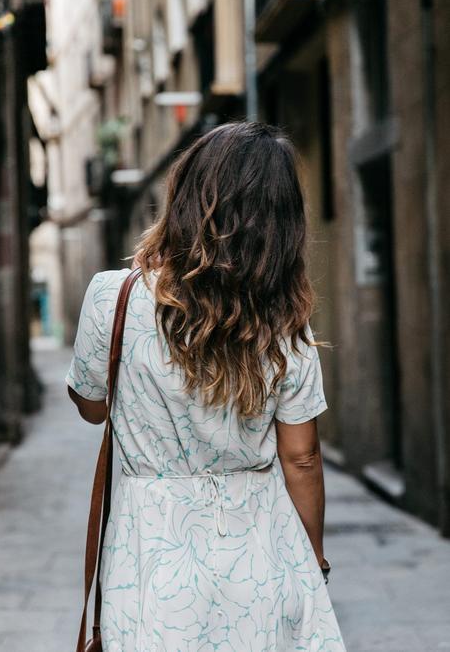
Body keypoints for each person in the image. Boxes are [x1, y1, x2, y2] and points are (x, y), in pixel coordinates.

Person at [66, 122, 346, 651]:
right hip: (261, 548)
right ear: (282, 221)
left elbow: (91, 407)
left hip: (150, 553)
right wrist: (311, 560)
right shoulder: (286, 320)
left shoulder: (114, 297)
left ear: (186, 196)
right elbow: (302, 457)